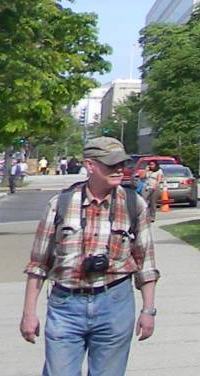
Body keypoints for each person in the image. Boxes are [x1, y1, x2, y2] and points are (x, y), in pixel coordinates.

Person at [19, 137, 159, 375]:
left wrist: (148, 310)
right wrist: (28, 314)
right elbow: (38, 264)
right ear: (90, 166)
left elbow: (145, 262)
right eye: (111, 164)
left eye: (121, 164)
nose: (119, 170)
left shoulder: (134, 205)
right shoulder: (60, 205)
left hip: (115, 303)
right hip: (66, 305)